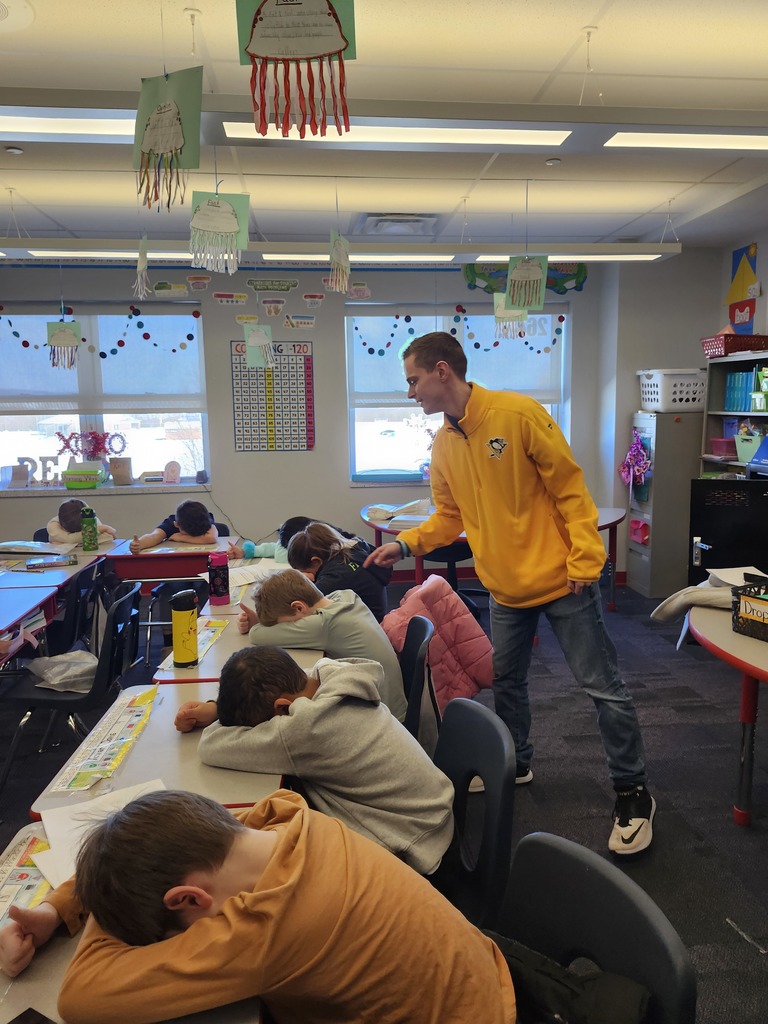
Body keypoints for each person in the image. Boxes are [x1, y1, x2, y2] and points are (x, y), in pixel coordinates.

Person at [365, 331, 655, 855]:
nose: (411, 392)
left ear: (442, 372)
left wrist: (588, 558)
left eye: (413, 380)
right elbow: (449, 516)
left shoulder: (517, 416)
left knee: (601, 686)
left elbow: (571, 489)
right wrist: (405, 544)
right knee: (508, 681)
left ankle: (633, 791)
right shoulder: (444, 444)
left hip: (563, 580)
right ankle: (519, 759)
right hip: (504, 590)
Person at [0, 789, 517, 1024]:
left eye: (169, 932)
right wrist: (59, 907)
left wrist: (104, 913)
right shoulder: (283, 818)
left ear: (187, 900)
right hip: (481, 984)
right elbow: (167, 837)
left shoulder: (264, 927)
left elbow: (82, 998)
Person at [175, 645, 454, 873]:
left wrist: (219, 716)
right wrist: (216, 708)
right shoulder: (331, 675)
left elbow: (211, 746)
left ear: (282, 709)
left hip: (413, 847)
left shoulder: (305, 729)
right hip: (431, 818)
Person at [236, 568, 407, 720]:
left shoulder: (325, 625)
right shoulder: (342, 597)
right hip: (392, 703)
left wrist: (258, 623)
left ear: (299, 608)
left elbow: (257, 634)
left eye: (283, 624)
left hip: (383, 714)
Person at [287, 520, 392, 621]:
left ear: (316, 561)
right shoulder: (355, 550)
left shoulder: (336, 575)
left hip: (364, 626)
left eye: (304, 571)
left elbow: (304, 603)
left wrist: (303, 582)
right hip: (372, 619)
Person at [225, 514, 357, 562]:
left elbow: (282, 556)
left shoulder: (331, 552)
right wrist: (246, 552)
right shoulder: (318, 537)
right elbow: (276, 547)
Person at [129, 499, 218, 553]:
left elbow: (211, 538)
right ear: (177, 525)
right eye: (187, 533)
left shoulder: (204, 518)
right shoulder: (170, 523)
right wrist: (139, 544)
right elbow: (154, 536)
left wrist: (180, 537)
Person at [46, 497, 117, 545]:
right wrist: (101, 529)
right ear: (61, 522)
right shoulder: (53, 525)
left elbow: (108, 539)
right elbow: (70, 539)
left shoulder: (91, 519)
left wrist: (65, 543)